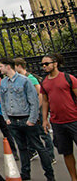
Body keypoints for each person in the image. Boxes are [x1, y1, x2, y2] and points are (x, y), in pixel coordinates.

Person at [0, 57, 55, 181]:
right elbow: (2, 101)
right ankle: (25, 173)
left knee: (39, 146)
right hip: (12, 120)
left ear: (8, 67)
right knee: (22, 148)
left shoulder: (24, 80)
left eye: (1, 66)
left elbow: (34, 101)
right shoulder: (3, 82)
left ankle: (49, 175)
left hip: (26, 119)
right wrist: (6, 117)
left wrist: (32, 119)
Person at [40, 53, 77, 181]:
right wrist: (45, 120)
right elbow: (45, 101)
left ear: (55, 63)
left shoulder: (68, 78)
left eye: (46, 64)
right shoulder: (44, 82)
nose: (44, 66)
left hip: (74, 120)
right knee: (66, 152)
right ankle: (73, 178)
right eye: (42, 64)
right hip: (57, 123)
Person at [14, 57, 55, 162]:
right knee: (30, 132)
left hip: (36, 109)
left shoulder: (30, 78)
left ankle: (50, 156)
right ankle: (33, 151)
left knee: (43, 132)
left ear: (19, 66)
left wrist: (36, 109)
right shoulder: (19, 78)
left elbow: (39, 94)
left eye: (14, 66)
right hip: (27, 110)